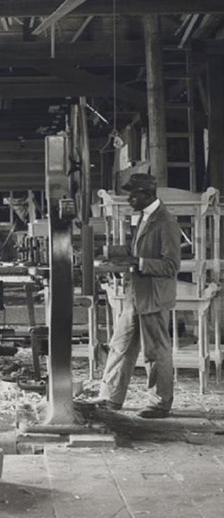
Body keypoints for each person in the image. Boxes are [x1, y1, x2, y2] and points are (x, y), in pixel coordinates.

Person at [93, 173, 182, 418]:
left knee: (156, 352)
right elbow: (140, 252)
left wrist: (138, 262)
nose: (130, 198)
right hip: (137, 294)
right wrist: (120, 256)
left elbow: (172, 266)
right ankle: (110, 397)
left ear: (148, 194)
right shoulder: (145, 216)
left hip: (153, 296)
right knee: (120, 346)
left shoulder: (165, 221)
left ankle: (160, 403)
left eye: (134, 194)